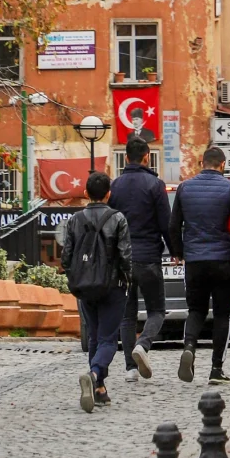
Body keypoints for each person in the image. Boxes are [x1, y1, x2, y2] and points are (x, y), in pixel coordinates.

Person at [169, 144, 230, 385]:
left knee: (196, 310)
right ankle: (216, 368)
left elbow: (174, 224)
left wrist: (178, 252)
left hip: (194, 261)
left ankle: (189, 346)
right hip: (222, 261)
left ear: (201, 164)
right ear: (223, 165)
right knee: (222, 314)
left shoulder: (185, 188)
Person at [61, 169, 132, 412]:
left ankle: (99, 389)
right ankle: (94, 374)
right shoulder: (118, 218)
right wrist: (128, 279)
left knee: (94, 336)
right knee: (108, 338)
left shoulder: (74, 220)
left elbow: (66, 257)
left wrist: (76, 277)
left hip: (85, 287)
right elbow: (125, 255)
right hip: (112, 286)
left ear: (85, 193)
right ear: (108, 194)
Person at [107, 134, 171, 382]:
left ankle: (130, 369)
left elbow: (110, 223)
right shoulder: (156, 185)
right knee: (157, 310)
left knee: (127, 315)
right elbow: (165, 224)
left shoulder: (115, 186)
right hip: (149, 257)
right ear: (147, 158)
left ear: (125, 158)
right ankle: (143, 345)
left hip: (122, 260)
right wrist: (176, 250)